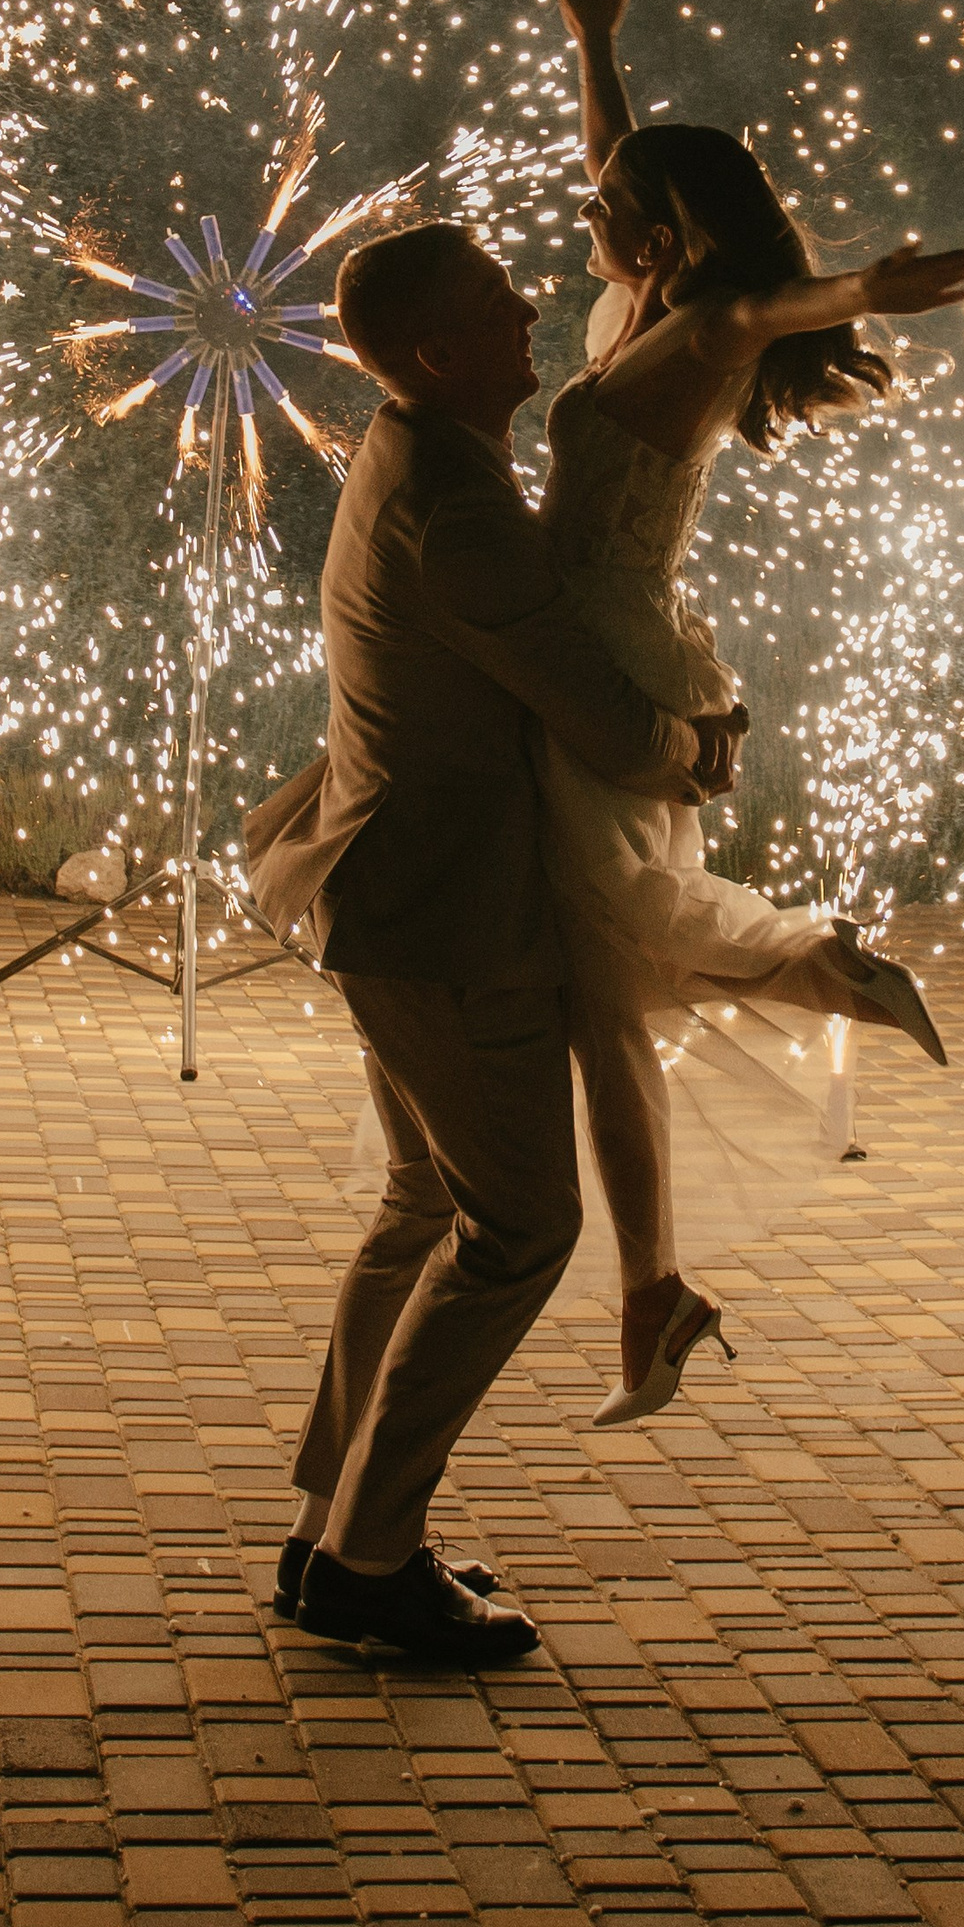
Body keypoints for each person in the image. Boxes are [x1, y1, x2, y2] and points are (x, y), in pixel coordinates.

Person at [245, 220, 744, 1666]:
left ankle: (335, 1528)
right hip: (449, 914)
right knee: (520, 1227)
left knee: (418, 1205)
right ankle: (367, 1561)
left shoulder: (422, 455)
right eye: (492, 303)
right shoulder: (451, 505)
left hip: (396, 896)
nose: (529, 306)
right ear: (429, 354)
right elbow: (585, 703)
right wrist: (696, 747)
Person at [542, 0, 964, 1423]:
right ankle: (653, 1291)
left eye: (615, 210)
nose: (592, 209)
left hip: (603, 650)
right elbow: (628, 168)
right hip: (618, 633)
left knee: (612, 957)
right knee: (606, 988)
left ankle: (815, 966)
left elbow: (758, 304)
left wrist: (866, 286)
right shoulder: (636, 303)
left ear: (660, 241)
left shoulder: (695, 332)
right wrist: (597, 37)